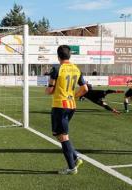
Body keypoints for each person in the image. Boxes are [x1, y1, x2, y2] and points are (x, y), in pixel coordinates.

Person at [45, 45, 88, 175]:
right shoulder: (76, 69)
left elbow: (50, 90)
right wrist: (73, 95)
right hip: (71, 105)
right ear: (69, 55)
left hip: (60, 106)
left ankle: (71, 167)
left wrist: (47, 90)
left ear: (58, 56)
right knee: (59, 134)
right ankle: (75, 157)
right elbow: (85, 89)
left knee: (63, 136)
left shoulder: (57, 68)